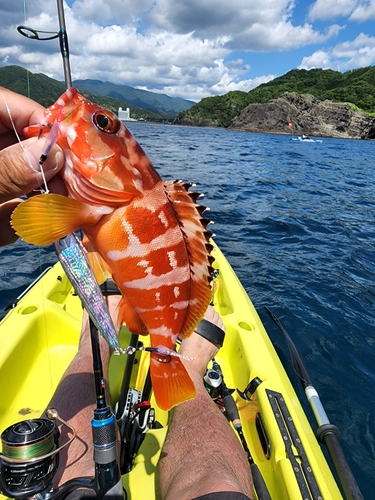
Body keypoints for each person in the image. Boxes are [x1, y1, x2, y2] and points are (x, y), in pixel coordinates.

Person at [0, 88, 253, 500]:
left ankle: (99, 335)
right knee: (218, 489)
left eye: (104, 125)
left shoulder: (106, 197)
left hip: (105, 231)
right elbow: (31, 222)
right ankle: (182, 365)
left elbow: (31, 221)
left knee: (94, 351)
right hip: (134, 259)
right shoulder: (114, 192)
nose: (89, 117)